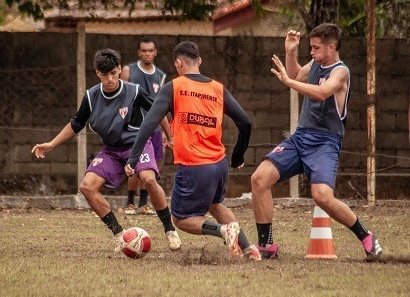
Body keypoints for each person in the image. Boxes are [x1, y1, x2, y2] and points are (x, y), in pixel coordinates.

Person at [251, 23, 383, 260]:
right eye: (310, 47)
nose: (311, 52)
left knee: (321, 195)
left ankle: (366, 236)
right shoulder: (314, 64)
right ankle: (266, 246)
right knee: (259, 179)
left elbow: (322, 92)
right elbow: (294, 75)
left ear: (331, 47)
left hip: (325, 142)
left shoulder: (341, 72)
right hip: (301, 137)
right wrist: (291, 52)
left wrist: (289, 84)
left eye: (315, 47)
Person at [31, 48, 181, 252]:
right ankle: (120, 234)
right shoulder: (91, 97)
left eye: (113, 73)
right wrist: (51, 144)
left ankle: (169, 229)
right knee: (87, 187)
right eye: (104, 75)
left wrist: (170, 137)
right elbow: (76, 124)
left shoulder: (134, 91)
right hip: (112, 150)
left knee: (148, 179)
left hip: (137, 145)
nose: (110, 79)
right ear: (97, 73)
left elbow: (158, 112)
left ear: (119, 69)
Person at [125, 41, 261, 260]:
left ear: (179, 63)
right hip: (219, 164)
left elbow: (149, 123)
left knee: (180, 219)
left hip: (195, 166)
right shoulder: (218, 88)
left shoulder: (174, 87)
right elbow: (245, 123)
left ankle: (223, 231)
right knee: (216, 205)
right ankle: (248, 249)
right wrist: (238, 155)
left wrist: (133, 158)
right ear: (199, 61)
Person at [120, 37, 167, 216]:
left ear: (155, 52)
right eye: (144, 51)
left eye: (150, 50)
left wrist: (165, 129)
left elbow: (162, 104)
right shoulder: (128, 71)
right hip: (135, 127)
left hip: (155, 126)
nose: (147, 53)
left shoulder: (160, 76)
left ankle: (144, 204)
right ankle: (130, 202)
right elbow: (121, 98)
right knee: (135, 164)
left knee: (154, 164)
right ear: (139, 53)